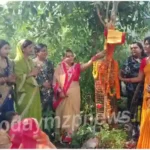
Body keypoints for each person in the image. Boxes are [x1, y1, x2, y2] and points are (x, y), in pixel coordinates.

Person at [53, 49, 105, 142]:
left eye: (71, 56)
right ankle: (62, 135)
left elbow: (89, 63)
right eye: (67, 56)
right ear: (63, 58)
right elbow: (55, 82)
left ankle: (71, 135)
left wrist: (97, 56)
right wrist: (60, 92)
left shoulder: (77, 67)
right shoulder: (59, 68)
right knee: (63, 112)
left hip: (75, 92)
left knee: (74, 112)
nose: (70, 58)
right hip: (63, 95)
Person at [120, 36, 150, 148]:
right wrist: (123, 80)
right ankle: (135, 138)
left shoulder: (145, 59)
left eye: (135, 48)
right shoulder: (128, 61)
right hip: (133, 94)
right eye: (131, 48)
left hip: (145, 93)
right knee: (134, 116)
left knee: (145, 117)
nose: (133, 50)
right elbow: (123, 73)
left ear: (141, 49)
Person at [14, 39, 42, 123]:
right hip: (24, 94)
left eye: (32, 47)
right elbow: (18, 77)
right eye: (30, 47)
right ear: (23, 49)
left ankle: (36, 135)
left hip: (34, 92)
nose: (32, 49)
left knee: (35, 114)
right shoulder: (17, 62)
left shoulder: (31, 61)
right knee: (26, 117)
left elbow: (33, 75)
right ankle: (25, 135)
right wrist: (31, 73)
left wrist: (37, 70)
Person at [33, 43, 54, 137]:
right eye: (43, 50)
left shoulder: (49, 63)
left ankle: (49, 135)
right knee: (39, 112)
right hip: (37, 92)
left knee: (49, 112)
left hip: (49, 92)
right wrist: (41, 84)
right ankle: (38, 134)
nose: (46, 52)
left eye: (46, 50)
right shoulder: (32, 63)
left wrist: (51, 83)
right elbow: (31, 77)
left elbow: (53, 76)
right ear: (37, 52)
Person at [0, 40, 16, 123]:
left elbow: (11, 79)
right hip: (1, 95)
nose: (8, 51)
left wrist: (13, 80)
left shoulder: (10, 62)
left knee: (10, 118)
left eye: (9, 49)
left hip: (9, 95)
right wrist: (6, 79)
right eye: (5, 48)